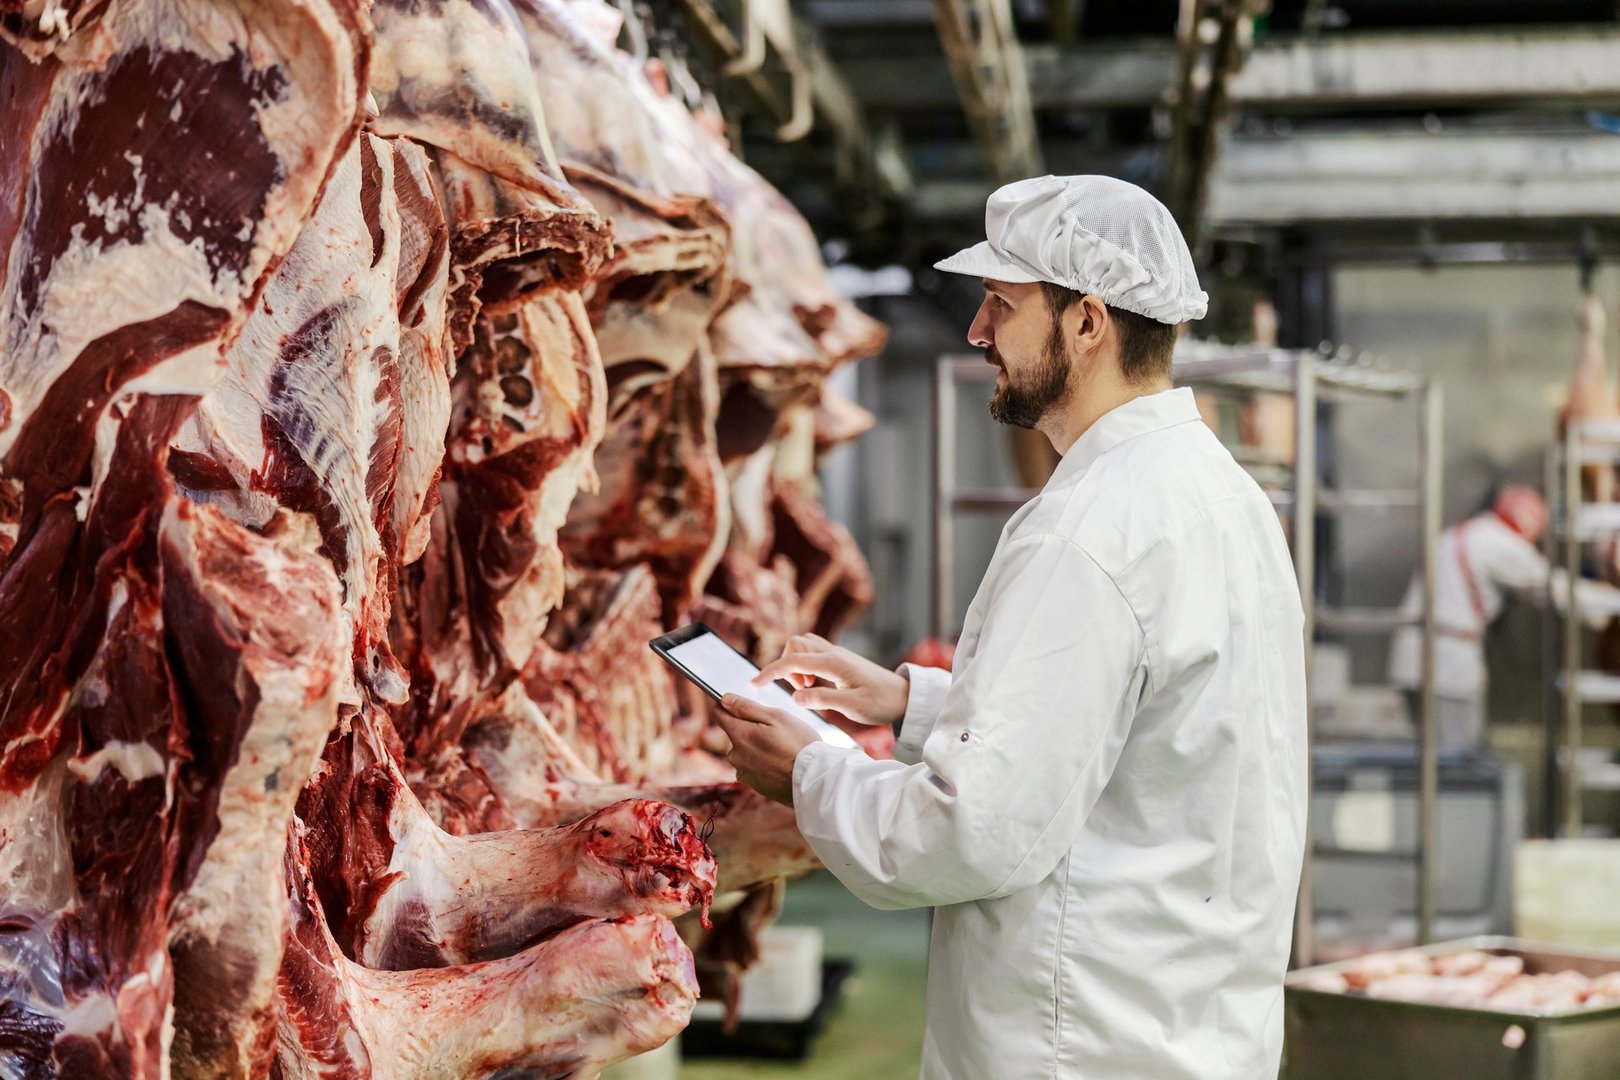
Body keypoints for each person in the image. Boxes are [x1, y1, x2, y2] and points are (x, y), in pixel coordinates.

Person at [715, 175, 1308, 1079]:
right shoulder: (1215, 492)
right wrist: (908, 701)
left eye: (1001, 302)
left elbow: (966, 833)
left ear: (1087, 322)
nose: (977, 330)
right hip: (1186, 1024)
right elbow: (1131, 730)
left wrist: (808, 768)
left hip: (1079, 1040)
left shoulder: (1094, 529)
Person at [1387, 484, 1620, 753]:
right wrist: (1607, 602)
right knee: (1457, 756)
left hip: (1415, 658)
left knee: (1432, 756)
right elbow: (1549, 588)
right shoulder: (1499, 544)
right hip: (1447, 665)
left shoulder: (1469, 532)